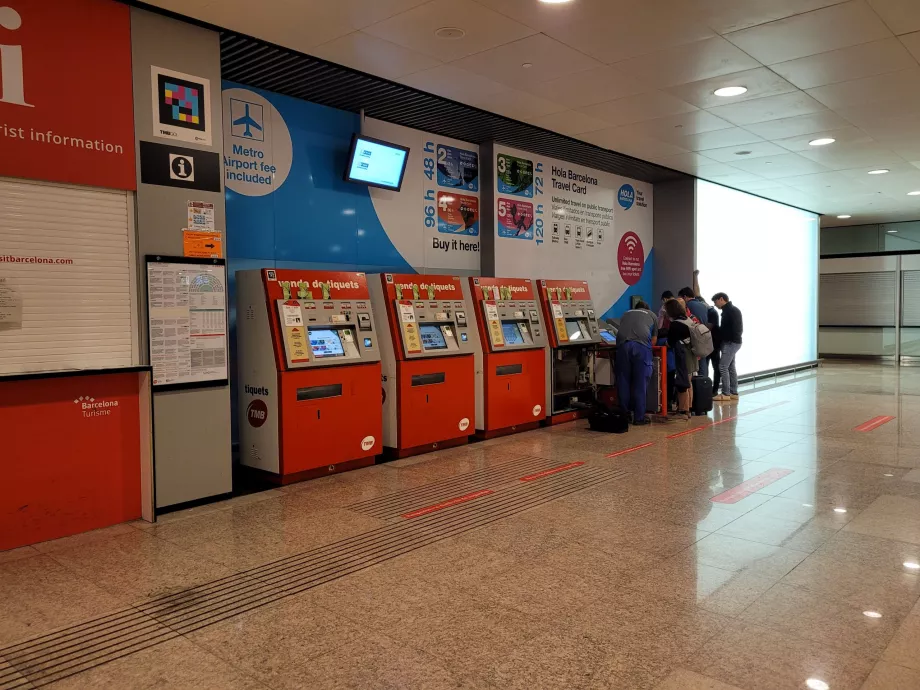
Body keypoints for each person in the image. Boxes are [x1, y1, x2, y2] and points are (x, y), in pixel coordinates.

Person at [615, 301, 657, 425]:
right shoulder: (652, 315)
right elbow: (653, 340)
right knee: (641, 382)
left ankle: (624, 415)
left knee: (623, 380)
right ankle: (639, 418)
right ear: (647, 309)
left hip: (622, 346)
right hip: (641, 347)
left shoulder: (625, 314)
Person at [664, 299, 696, 419]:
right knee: (688, 381)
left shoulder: (676, 324)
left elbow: (670, 343)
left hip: (683, 355)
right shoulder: (688, 319)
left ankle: (683, 411)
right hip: (692, 354)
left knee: (682, 382)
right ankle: (689, 409)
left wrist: (664, 344)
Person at [712, 292, 743, 402]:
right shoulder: (734, 310)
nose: (715, 305)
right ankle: (733, 392)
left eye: (715, 302)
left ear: (721, 299)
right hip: (736, 342)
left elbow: (727, 330)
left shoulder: (728, 312)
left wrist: (715, 330)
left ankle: (725, 393)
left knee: (723, 366)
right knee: (730, 366)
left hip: (730, 342)